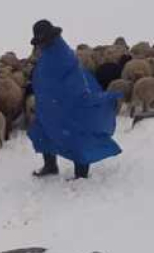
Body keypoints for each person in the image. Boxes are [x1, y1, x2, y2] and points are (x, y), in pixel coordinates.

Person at [27, 19, 122, 179]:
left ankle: (81, 174)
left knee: (76, 133)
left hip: (70, 103)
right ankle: (50, 165)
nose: (40, 45)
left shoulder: (61, 53)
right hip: (50, 104)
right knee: (43, 130)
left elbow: (71, 78)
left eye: (42, 41)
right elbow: (44, 77)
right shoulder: (48, 53)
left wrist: (69, 98)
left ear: (50, 38)